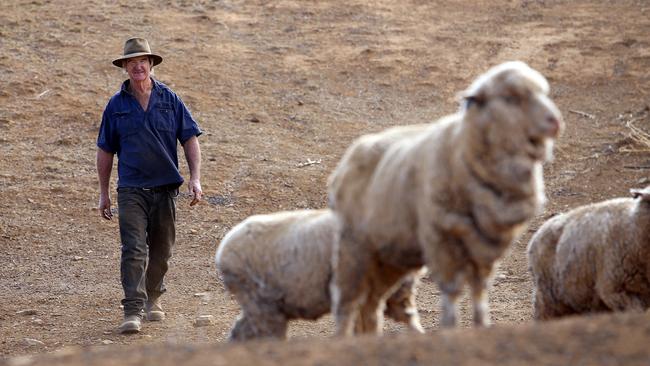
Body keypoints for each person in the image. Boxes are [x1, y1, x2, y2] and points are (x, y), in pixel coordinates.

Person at [96, 37, 203, 334]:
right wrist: (104, 193)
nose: (138, 66)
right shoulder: (115, 106)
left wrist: (195, 178)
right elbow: (105, 150)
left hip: (166, 188)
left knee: (161, 251)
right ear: (125, 68)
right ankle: (132, 309)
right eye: (132, 62)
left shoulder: (170, 99)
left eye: (143, 61)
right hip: (130, 190)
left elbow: (190, 139)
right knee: (133, 249)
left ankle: (152, 299)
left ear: (151, 64)